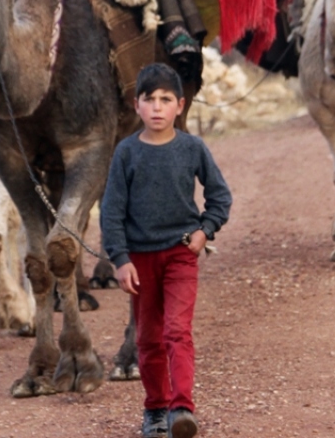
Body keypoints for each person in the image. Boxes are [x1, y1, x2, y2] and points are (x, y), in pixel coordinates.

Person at [100, 62, 232, 438]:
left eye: (166, 99)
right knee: (148, 338)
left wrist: (206, 230)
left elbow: (219, 195)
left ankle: (181, 409)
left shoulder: (192, 148)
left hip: (179, 255)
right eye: (149, 99)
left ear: (181, 105)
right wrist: (120, 259)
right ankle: (155, 409)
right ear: (136, 105)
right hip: (140, 261)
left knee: (178, 331)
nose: (157, 107)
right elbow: (112, 211)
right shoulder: (126, 153)